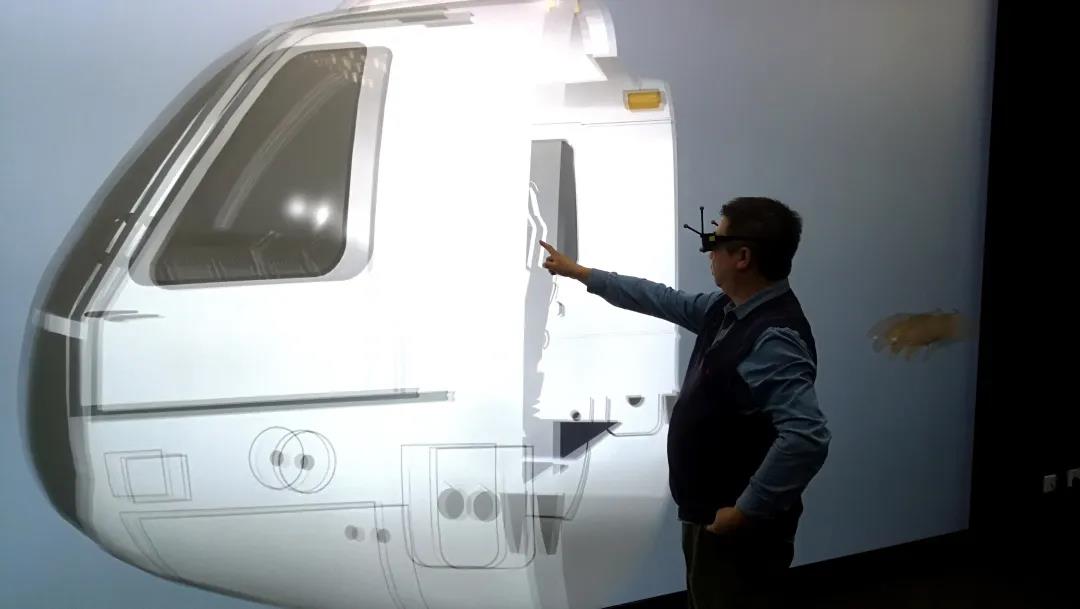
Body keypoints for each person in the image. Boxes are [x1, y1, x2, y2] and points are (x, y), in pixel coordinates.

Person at [539, 196, 830, 608]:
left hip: (737, 529)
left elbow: (807, 437)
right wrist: (581, 273)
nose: (709, 251)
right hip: (709, 515)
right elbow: (657, 297)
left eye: (715, 240)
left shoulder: (773, 338)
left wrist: (746, 510)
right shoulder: (726, 311)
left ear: (742, 257)